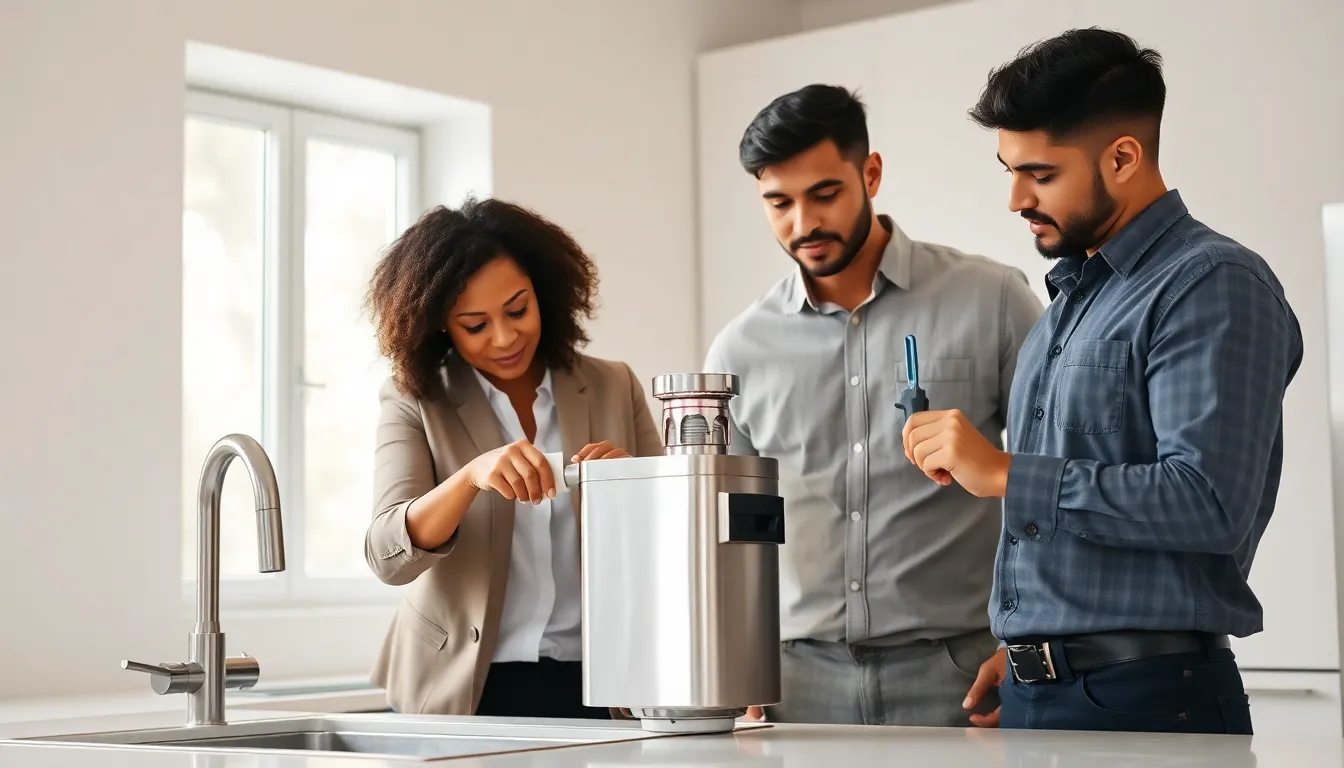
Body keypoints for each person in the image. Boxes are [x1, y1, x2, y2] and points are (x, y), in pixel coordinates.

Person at [903, 28, 1302, 734]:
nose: (1016, 198)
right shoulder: (1069, 307)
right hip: (1044, 693)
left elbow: (1207, 501)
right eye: (1009, 170)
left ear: (1123, 157)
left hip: (1151, 698)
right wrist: (1032, 648)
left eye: (1041, 174)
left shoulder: (1213, 283)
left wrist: (1003, 473)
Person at [703, 84, 1044, 727]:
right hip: (792, 682)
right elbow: (736, 535)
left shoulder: (993, 300)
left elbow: (1054, 477)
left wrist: (1032, 644)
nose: (803, 223)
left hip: (960, 673)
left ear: (871, 173)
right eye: (779, 202)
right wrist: (734, 664)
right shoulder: (738, 349)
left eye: (824, 194)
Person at [363, 197, 663, 718]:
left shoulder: (614, 384)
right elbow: (387, 553)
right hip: (464, 687)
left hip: (602, 684)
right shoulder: (415, 399)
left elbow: (674, 541)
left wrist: (632, 489)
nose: (504, 338)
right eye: (475, 324)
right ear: (440, 326)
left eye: (518, 309)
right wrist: (469, 478)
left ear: (545, 291)